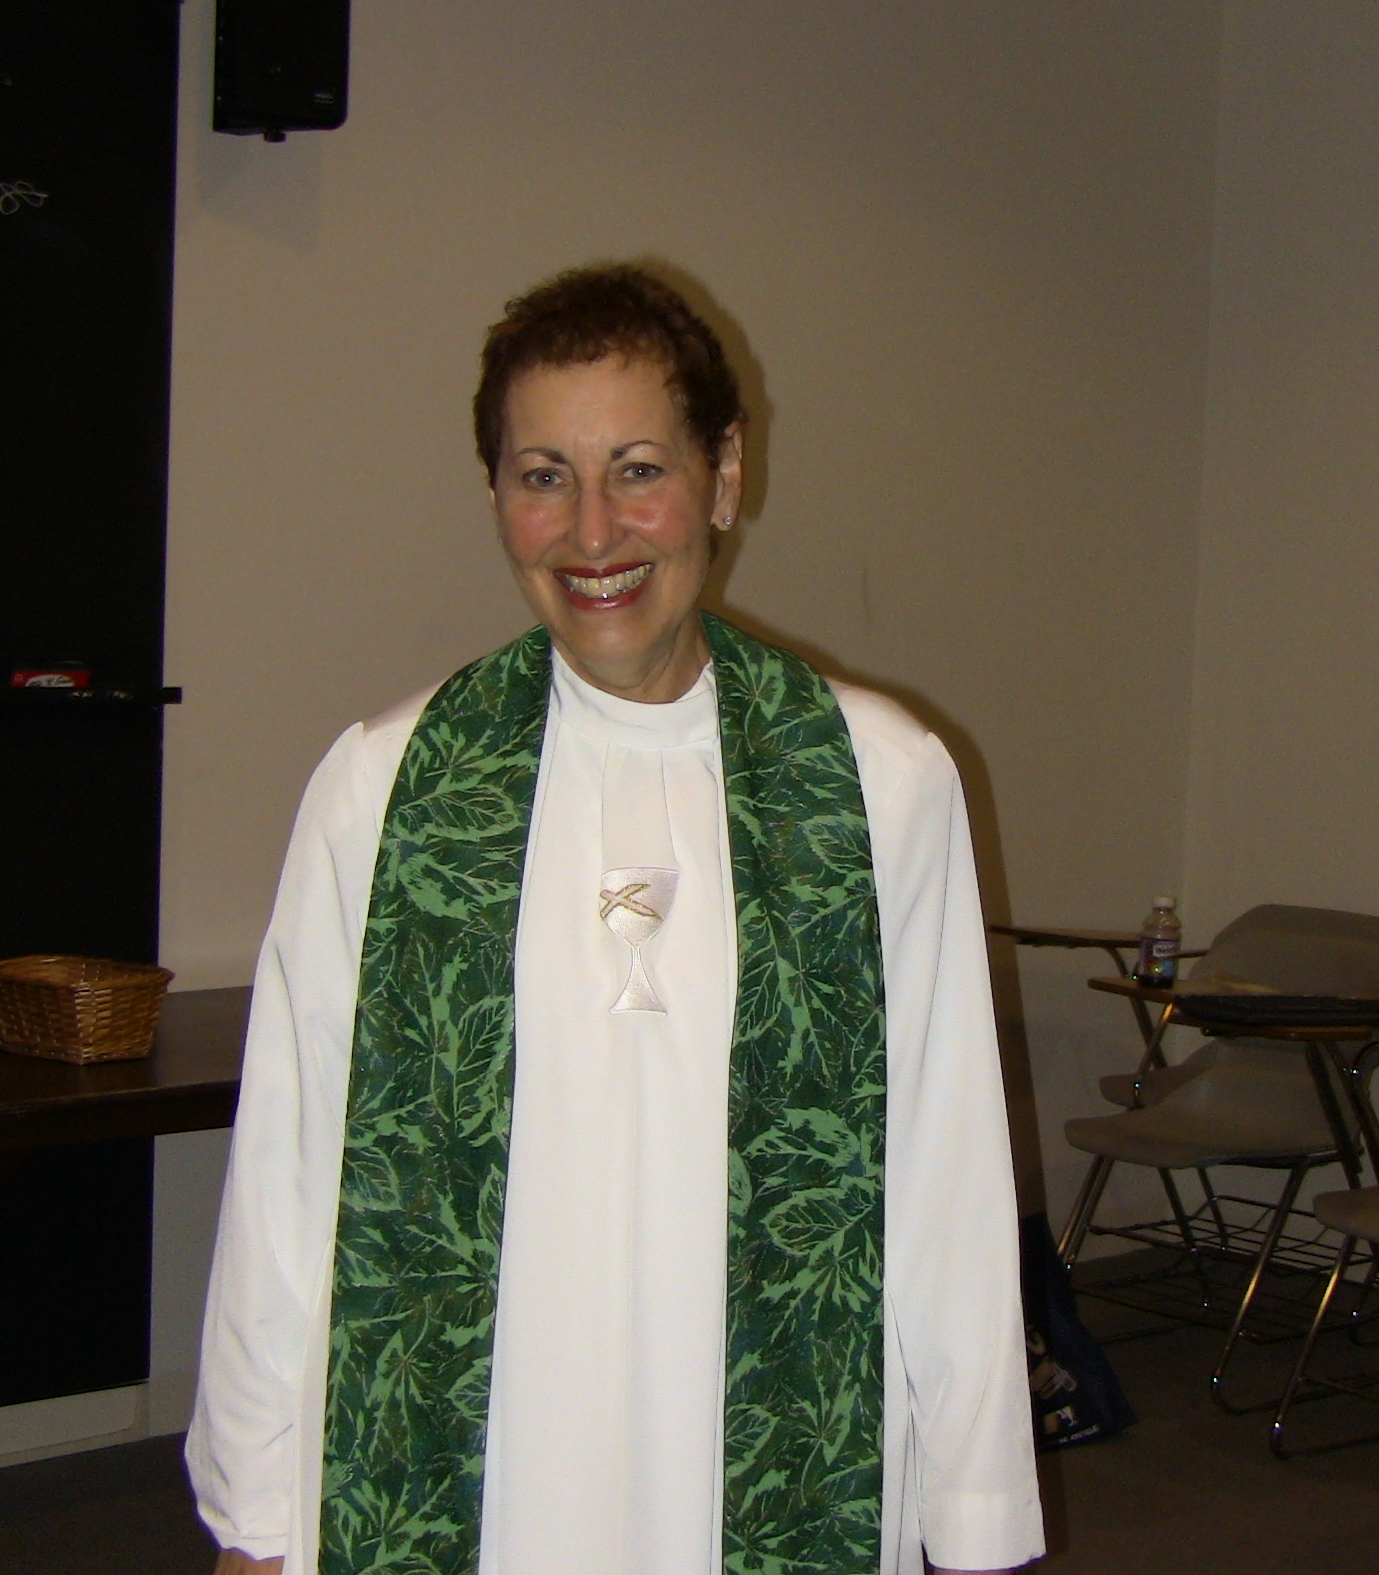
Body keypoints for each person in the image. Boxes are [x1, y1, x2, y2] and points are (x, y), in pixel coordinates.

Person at [186, 264, 1045, 1575]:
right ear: (495, 495)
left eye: (638, 470)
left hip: (767, 1471)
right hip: (471, 1479)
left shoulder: (877, 782)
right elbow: (287, 1170)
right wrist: (253, 1509)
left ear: (724, 475)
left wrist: (972, 1520)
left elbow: (947, 1169)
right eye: (544, 476)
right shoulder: (387, 784)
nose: (593, 532)